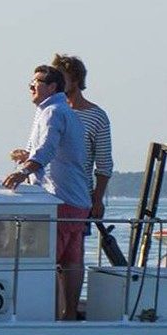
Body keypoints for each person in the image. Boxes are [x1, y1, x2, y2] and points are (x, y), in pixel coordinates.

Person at [3, 65, 91, 321]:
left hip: (58, 199)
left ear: (52, 87)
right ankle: (69, 315)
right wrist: (29, 157)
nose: (30, 86)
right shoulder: (66, 111)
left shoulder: (52, 112)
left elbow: (48, 148)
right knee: (72, 261)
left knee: (47, 260)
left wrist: (24, 171)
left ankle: (48, 317)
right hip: (76, 198)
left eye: (36, 82)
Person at [53, 54, 113, 221]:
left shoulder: (97, 116)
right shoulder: (51, 113)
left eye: (62, 79)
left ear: (76, 80)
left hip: (79, 196)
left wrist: (97, 200)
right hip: (50, 196)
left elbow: (104, 163)